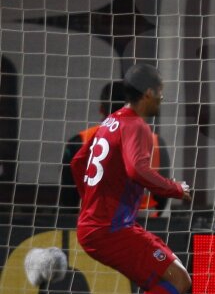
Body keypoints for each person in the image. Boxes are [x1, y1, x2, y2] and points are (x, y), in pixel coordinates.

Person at [69, 63, 192, 294]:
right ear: (149, 93)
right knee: (178, 279)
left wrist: (92, 201)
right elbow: (136, 169)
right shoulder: (136, 125)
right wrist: (175, 189)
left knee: (168, 278)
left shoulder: (111, 122)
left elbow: (77, 162)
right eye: (160, 92)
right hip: (110, 228)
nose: (162, 98)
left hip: (100, 224)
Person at [63, 80, 171, 217]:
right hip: (144, 225)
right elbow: (162, 196)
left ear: (102, 109)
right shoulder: (156, 143)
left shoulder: (80, 142)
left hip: (97, 225)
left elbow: (67, 198)